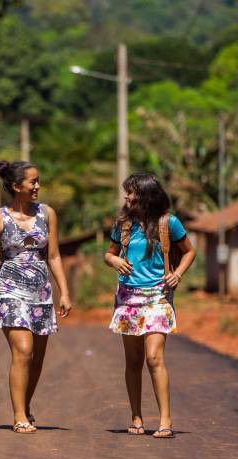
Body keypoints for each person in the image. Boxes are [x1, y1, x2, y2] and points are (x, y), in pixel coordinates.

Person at [0, 160, 72, 434]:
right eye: (32, 182)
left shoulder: (47, 214)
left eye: (38, 180)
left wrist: (65, 292)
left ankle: (24, 407)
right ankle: (19, 417)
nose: (37, 186)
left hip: (40, 290)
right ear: (16, 186)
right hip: (9, 289)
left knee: (36, 358)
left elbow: (54, 255)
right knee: (23, 351)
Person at [104, 172, 196, 438]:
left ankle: (165, 421)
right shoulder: (123, 224)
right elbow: (108, 254)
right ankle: (136, 418)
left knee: (154, 357)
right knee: (133, 360)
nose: (126, 197)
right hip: (128, 298)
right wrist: (114, 261)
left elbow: (189, 251)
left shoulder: (169, 223)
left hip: (157, 297)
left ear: (145, 195)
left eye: (130, 192)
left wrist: (177, 273)